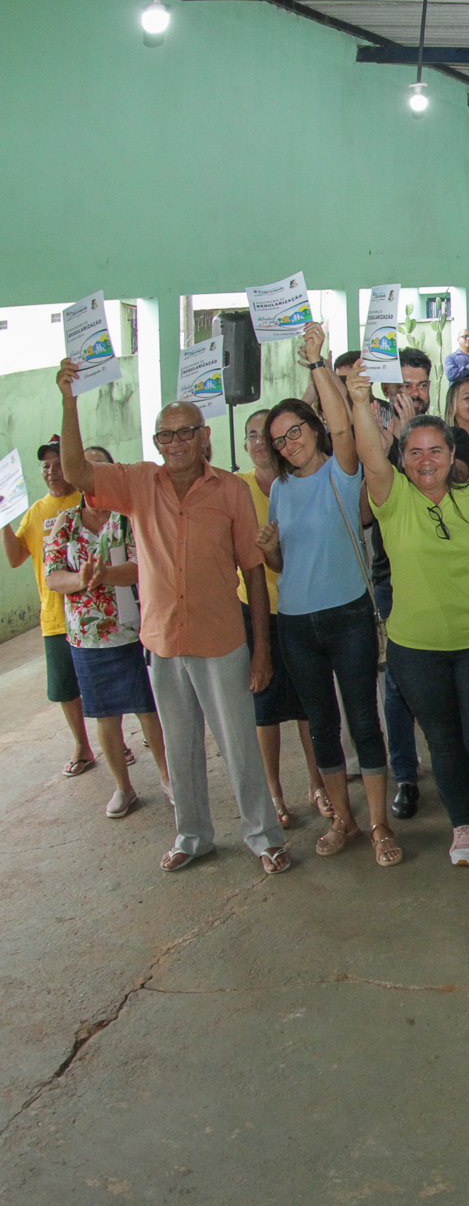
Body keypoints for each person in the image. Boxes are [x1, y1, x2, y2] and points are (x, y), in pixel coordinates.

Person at [57, 364, 291, 875]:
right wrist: (69, 401)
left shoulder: (229, 490)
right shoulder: (138, 482)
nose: (177, 442)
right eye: (167, 434)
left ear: (204, 437)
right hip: (162, 641)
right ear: (158, 441)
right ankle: (193, 835)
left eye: (187, 432)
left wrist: (262, 651)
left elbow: (253, 574)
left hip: (221, 640)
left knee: (238, 746)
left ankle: (262, 835)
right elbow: (76, 472)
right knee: (178, 746)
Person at [347, 375, 469, 866]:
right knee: (444, 741)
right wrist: (356, 401)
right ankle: (460, 824)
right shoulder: (392, 501)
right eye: (415, 451)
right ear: (403, 459)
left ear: (453, 455)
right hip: (416, 649)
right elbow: (370, 454)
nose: (426, 460)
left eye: (436, 450)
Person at [263, 325, 398, 864]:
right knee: (322, 724)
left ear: (314, 428)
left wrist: (317, 362)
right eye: (279, 440)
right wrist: (269, 548)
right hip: (296, 623)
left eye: (294, 432)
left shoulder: (342, 472)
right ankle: (342, 818)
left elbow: (345, 427)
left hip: (347, 616)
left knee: (363, 718)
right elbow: (279, 565)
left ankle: (380, 825)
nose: (288, 445)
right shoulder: (279, 488)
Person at [368, 345, 466, 822]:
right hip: (395, 579)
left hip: (452, 575)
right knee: (399, 686)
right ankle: (405, 775)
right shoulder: (379, 440)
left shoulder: (453, 438)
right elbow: (370, 504)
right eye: (404, 384)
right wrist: (391, 438)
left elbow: (463, 485)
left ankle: (457, 764)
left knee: (453, 678)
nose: (414, 392)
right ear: (389, 387)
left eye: (421, 384)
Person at [44, 454, 171, 819]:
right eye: (85, 467)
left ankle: (167, 778)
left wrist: (104, 575)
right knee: (104, 715)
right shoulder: (64, 523)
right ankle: (123, 787)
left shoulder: (127, 517)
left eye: (100, 467)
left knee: (147, 709)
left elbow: (140, 567)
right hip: (87, 637)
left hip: (132, 630)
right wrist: (82, 579)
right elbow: (54, 576)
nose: (92, 475)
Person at [239, 404, 331, 836]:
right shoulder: (236, 487)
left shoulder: (294, 481)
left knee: (308, 704)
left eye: (269, 435)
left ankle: (318, 785)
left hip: (299, 606)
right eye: (253, 436)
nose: (262, 443)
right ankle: (275, 793)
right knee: (265, 707)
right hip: (253, 610)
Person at [5, 436, 91, 778]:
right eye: (45, 466)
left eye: (57, 464)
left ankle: (115, 741)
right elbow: (14, 558)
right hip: (54, 618)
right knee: (65, 689)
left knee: (96, 682)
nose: (51, 471)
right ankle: (83, 746)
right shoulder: (35, 512)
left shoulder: (87, 500)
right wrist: (3, 519)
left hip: (88, 613)